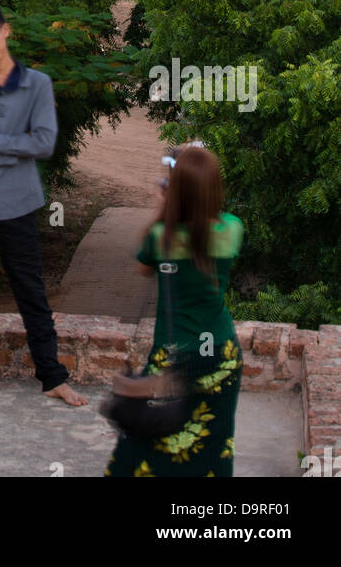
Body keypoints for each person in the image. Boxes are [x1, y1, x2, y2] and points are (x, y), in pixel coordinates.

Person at [0, 0, 87, 407]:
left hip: (19, 206)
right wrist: (16, 145)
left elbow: (44, 144)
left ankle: (52, 376)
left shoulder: (38, 86)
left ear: (5, 31)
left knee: (31, 292)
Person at [105, 146, 244, 477]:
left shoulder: (160, 237)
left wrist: (164, 209)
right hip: (222, 356)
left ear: (176, 189)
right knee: (215, 445)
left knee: (142, 444)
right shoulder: (233, 229)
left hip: (173, 355)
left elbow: (144, 267)